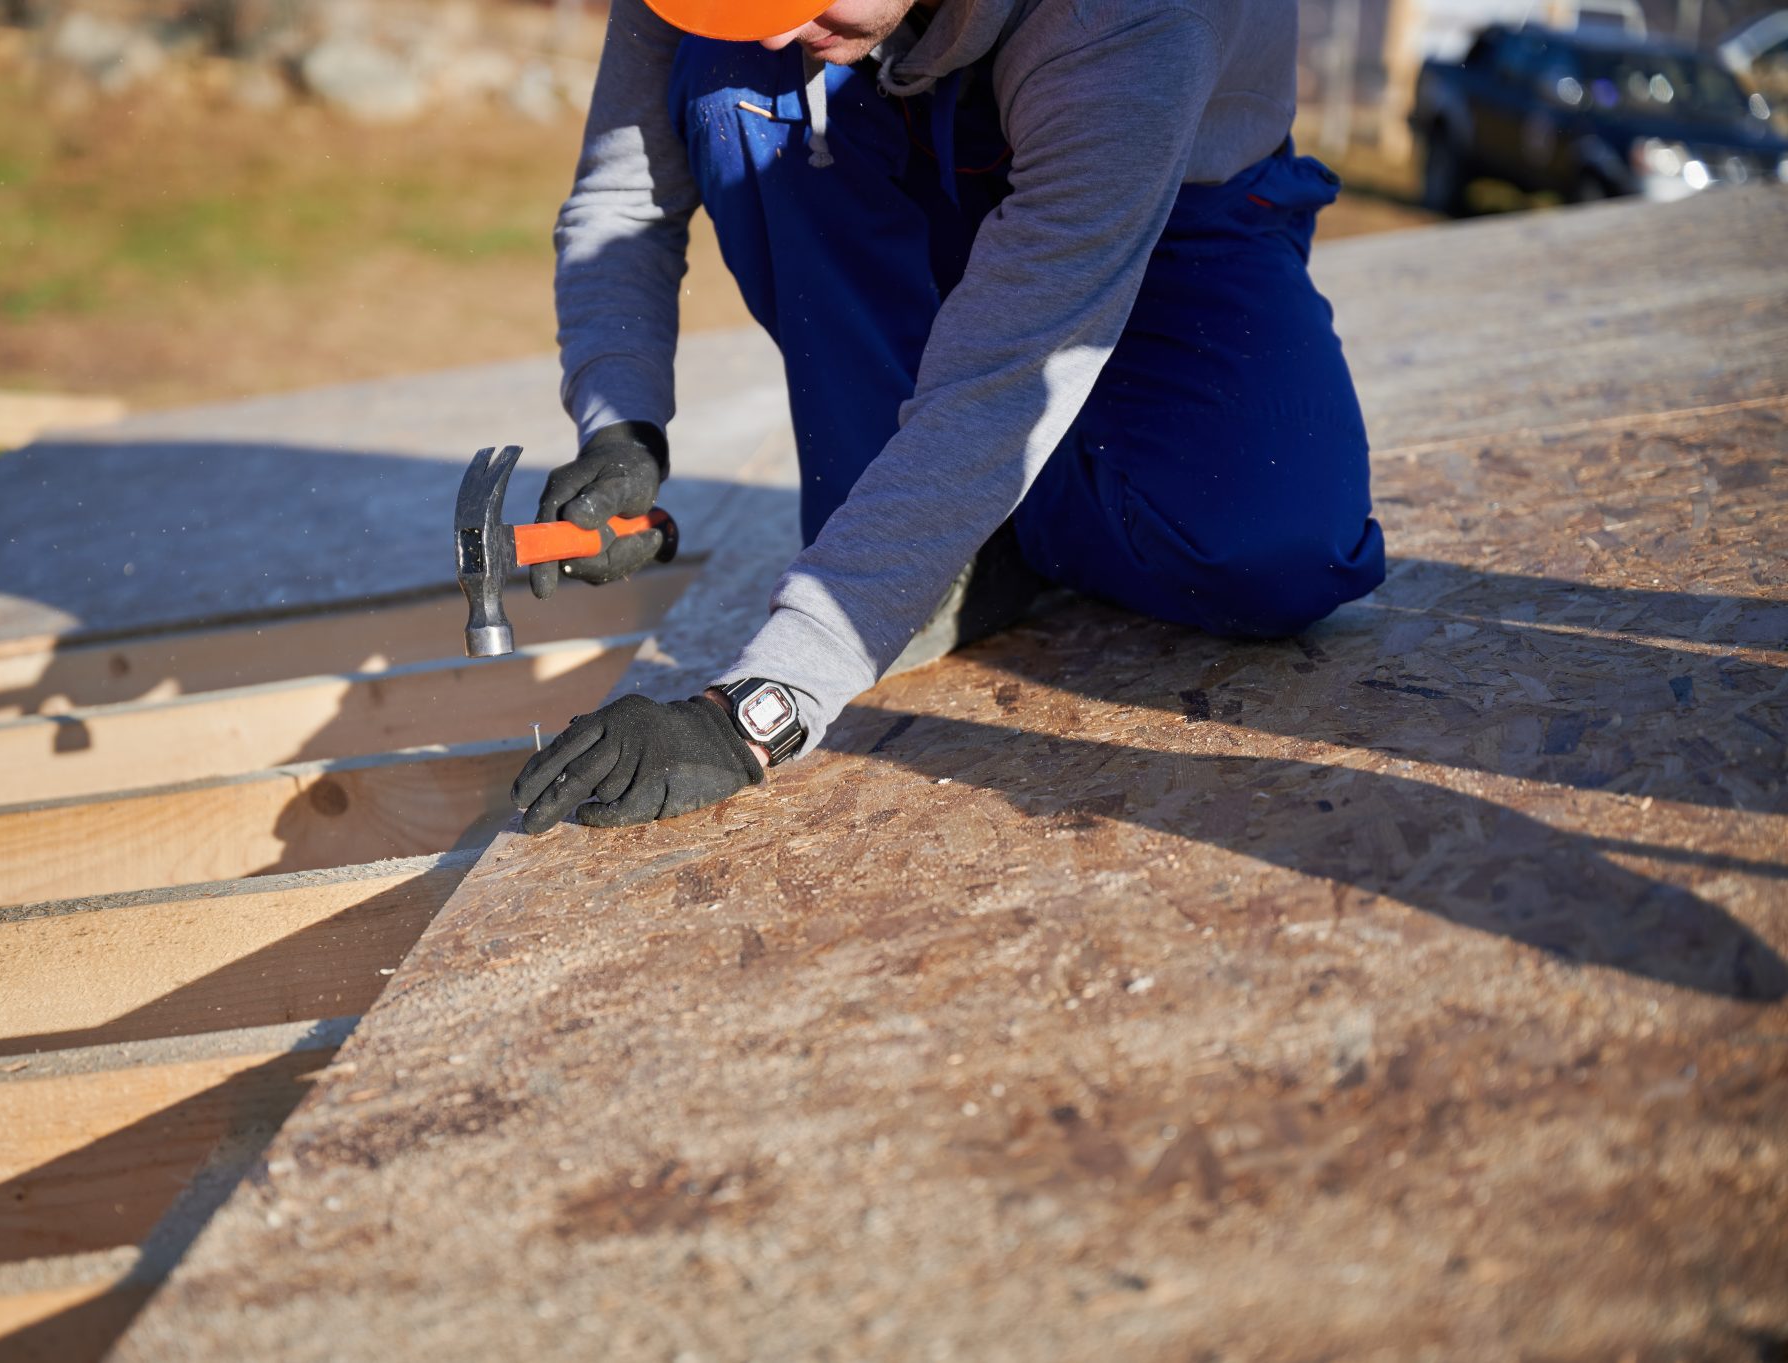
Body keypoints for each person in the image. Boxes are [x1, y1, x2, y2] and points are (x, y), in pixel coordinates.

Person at [511, 0, 1387, 833]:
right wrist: (622, 425)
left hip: (1171, 192)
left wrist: (756, 709)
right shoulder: (777, 26)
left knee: (1275, 554)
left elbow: (1010, 372)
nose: (776, 33)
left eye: (804, 0)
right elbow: (623, 200)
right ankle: (942, 538)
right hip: (893, 153)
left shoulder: (1131, 19)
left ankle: (951, 519)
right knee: (727, 82)